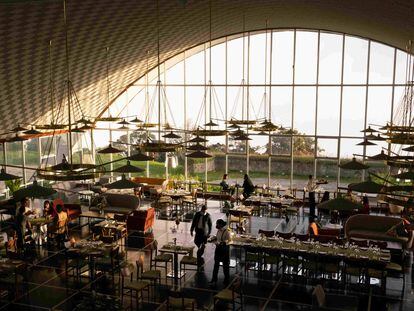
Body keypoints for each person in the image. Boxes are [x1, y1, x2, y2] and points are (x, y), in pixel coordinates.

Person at [190, 205, 212, 271]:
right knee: (196, 241)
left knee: (203, 243)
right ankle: (200, 249)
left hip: (204, 232)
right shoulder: (197, 214)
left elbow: (210, 225)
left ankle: (200, 253)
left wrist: (209, 233)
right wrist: (191, 230)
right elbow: (193, 222)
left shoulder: (208, 215)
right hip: (198, 230)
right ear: (201, 209)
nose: (203, 211)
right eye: (203, 210)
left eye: (205, 210)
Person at [209, 219, 230, 286]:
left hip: (224, 251)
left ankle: (226, 280)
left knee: (225, 266)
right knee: (216, 266)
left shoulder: (226, 231)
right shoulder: (219, 230)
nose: (216, 225)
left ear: (220, 224)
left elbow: (229, 240)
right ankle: (214, 279)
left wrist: (223, 243)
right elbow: (217, 236)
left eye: (217, 224)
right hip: (218, 249)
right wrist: (212, 238)